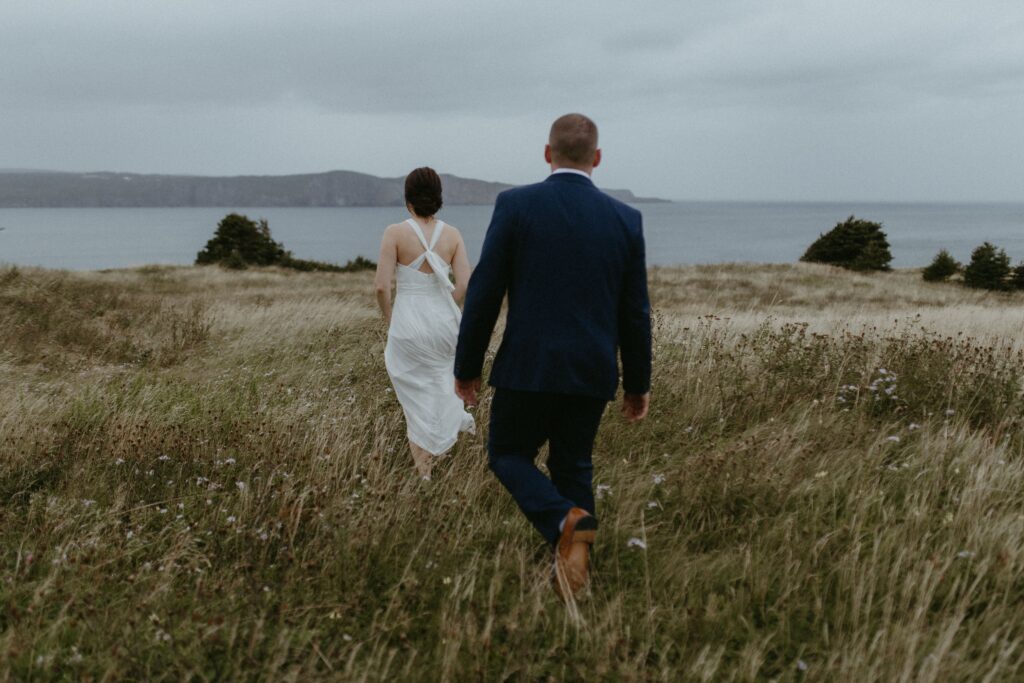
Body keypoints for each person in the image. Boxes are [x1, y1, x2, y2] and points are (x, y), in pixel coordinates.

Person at [454, 114, 652, 599]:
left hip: (528, 366)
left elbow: (484, 293)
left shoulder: (516, 205)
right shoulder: (625, 219)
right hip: (591, 370)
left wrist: (467, 368)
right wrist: (637, 382)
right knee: (573, 466)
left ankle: (566, 520)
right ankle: (574, 581)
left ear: (548, 154)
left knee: (506, 454)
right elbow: (635, 311)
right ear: (597, 159)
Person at [375, 167, 475, 479]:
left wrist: (392, 320)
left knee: (416, 399)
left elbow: (381, 287)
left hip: (408, 325)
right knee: (442, 389)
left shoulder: (394, 233)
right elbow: (466, 283)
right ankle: (440, 452)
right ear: (438, 199)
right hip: (445, 324)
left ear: (408, 199)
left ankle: (425, 473)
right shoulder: (453, 234)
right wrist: (447, 304)